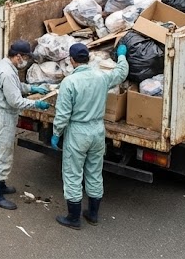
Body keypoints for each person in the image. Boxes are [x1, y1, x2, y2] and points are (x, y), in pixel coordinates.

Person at [51, 43, 129, 229]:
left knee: (73, 174)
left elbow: (62, 115)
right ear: (88, 58)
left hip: (78, 132)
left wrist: (56, 134)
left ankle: (73, 218)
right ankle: (93, 214)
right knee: (94, 172)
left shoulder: (69, 82)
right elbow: (120, 74)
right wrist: (122, 56)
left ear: (71, 60)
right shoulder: (100, 76)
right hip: (97, 131)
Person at [0, 40, 51, 210]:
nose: (26, 61)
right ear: (17, 56)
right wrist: (36, 104)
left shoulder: (5, 66)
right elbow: (15, 101)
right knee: (1, 154)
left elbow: (14, 88)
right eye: (25, 58)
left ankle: (0, 185)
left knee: (4, 152)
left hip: (0, 114)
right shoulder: (7, 72)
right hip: (3, 116)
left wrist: (31, 88)